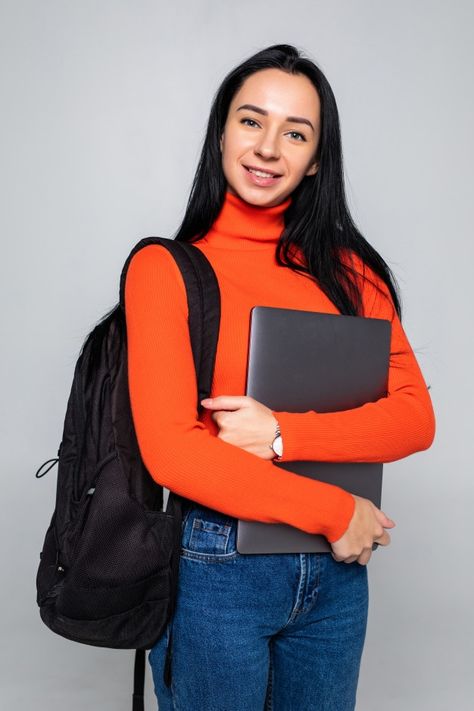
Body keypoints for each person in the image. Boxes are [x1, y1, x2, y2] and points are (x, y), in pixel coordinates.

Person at [124, 44, 435, 711]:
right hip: (219, 565)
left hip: (337, 576)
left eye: (295, 132)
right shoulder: (166, 270)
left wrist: (280, 435)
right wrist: (336, 510)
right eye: (250, 121)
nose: (268, 147)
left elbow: (415, 416)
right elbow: (172, 450)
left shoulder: (352, 273)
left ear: (317, 157)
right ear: (221, 133)